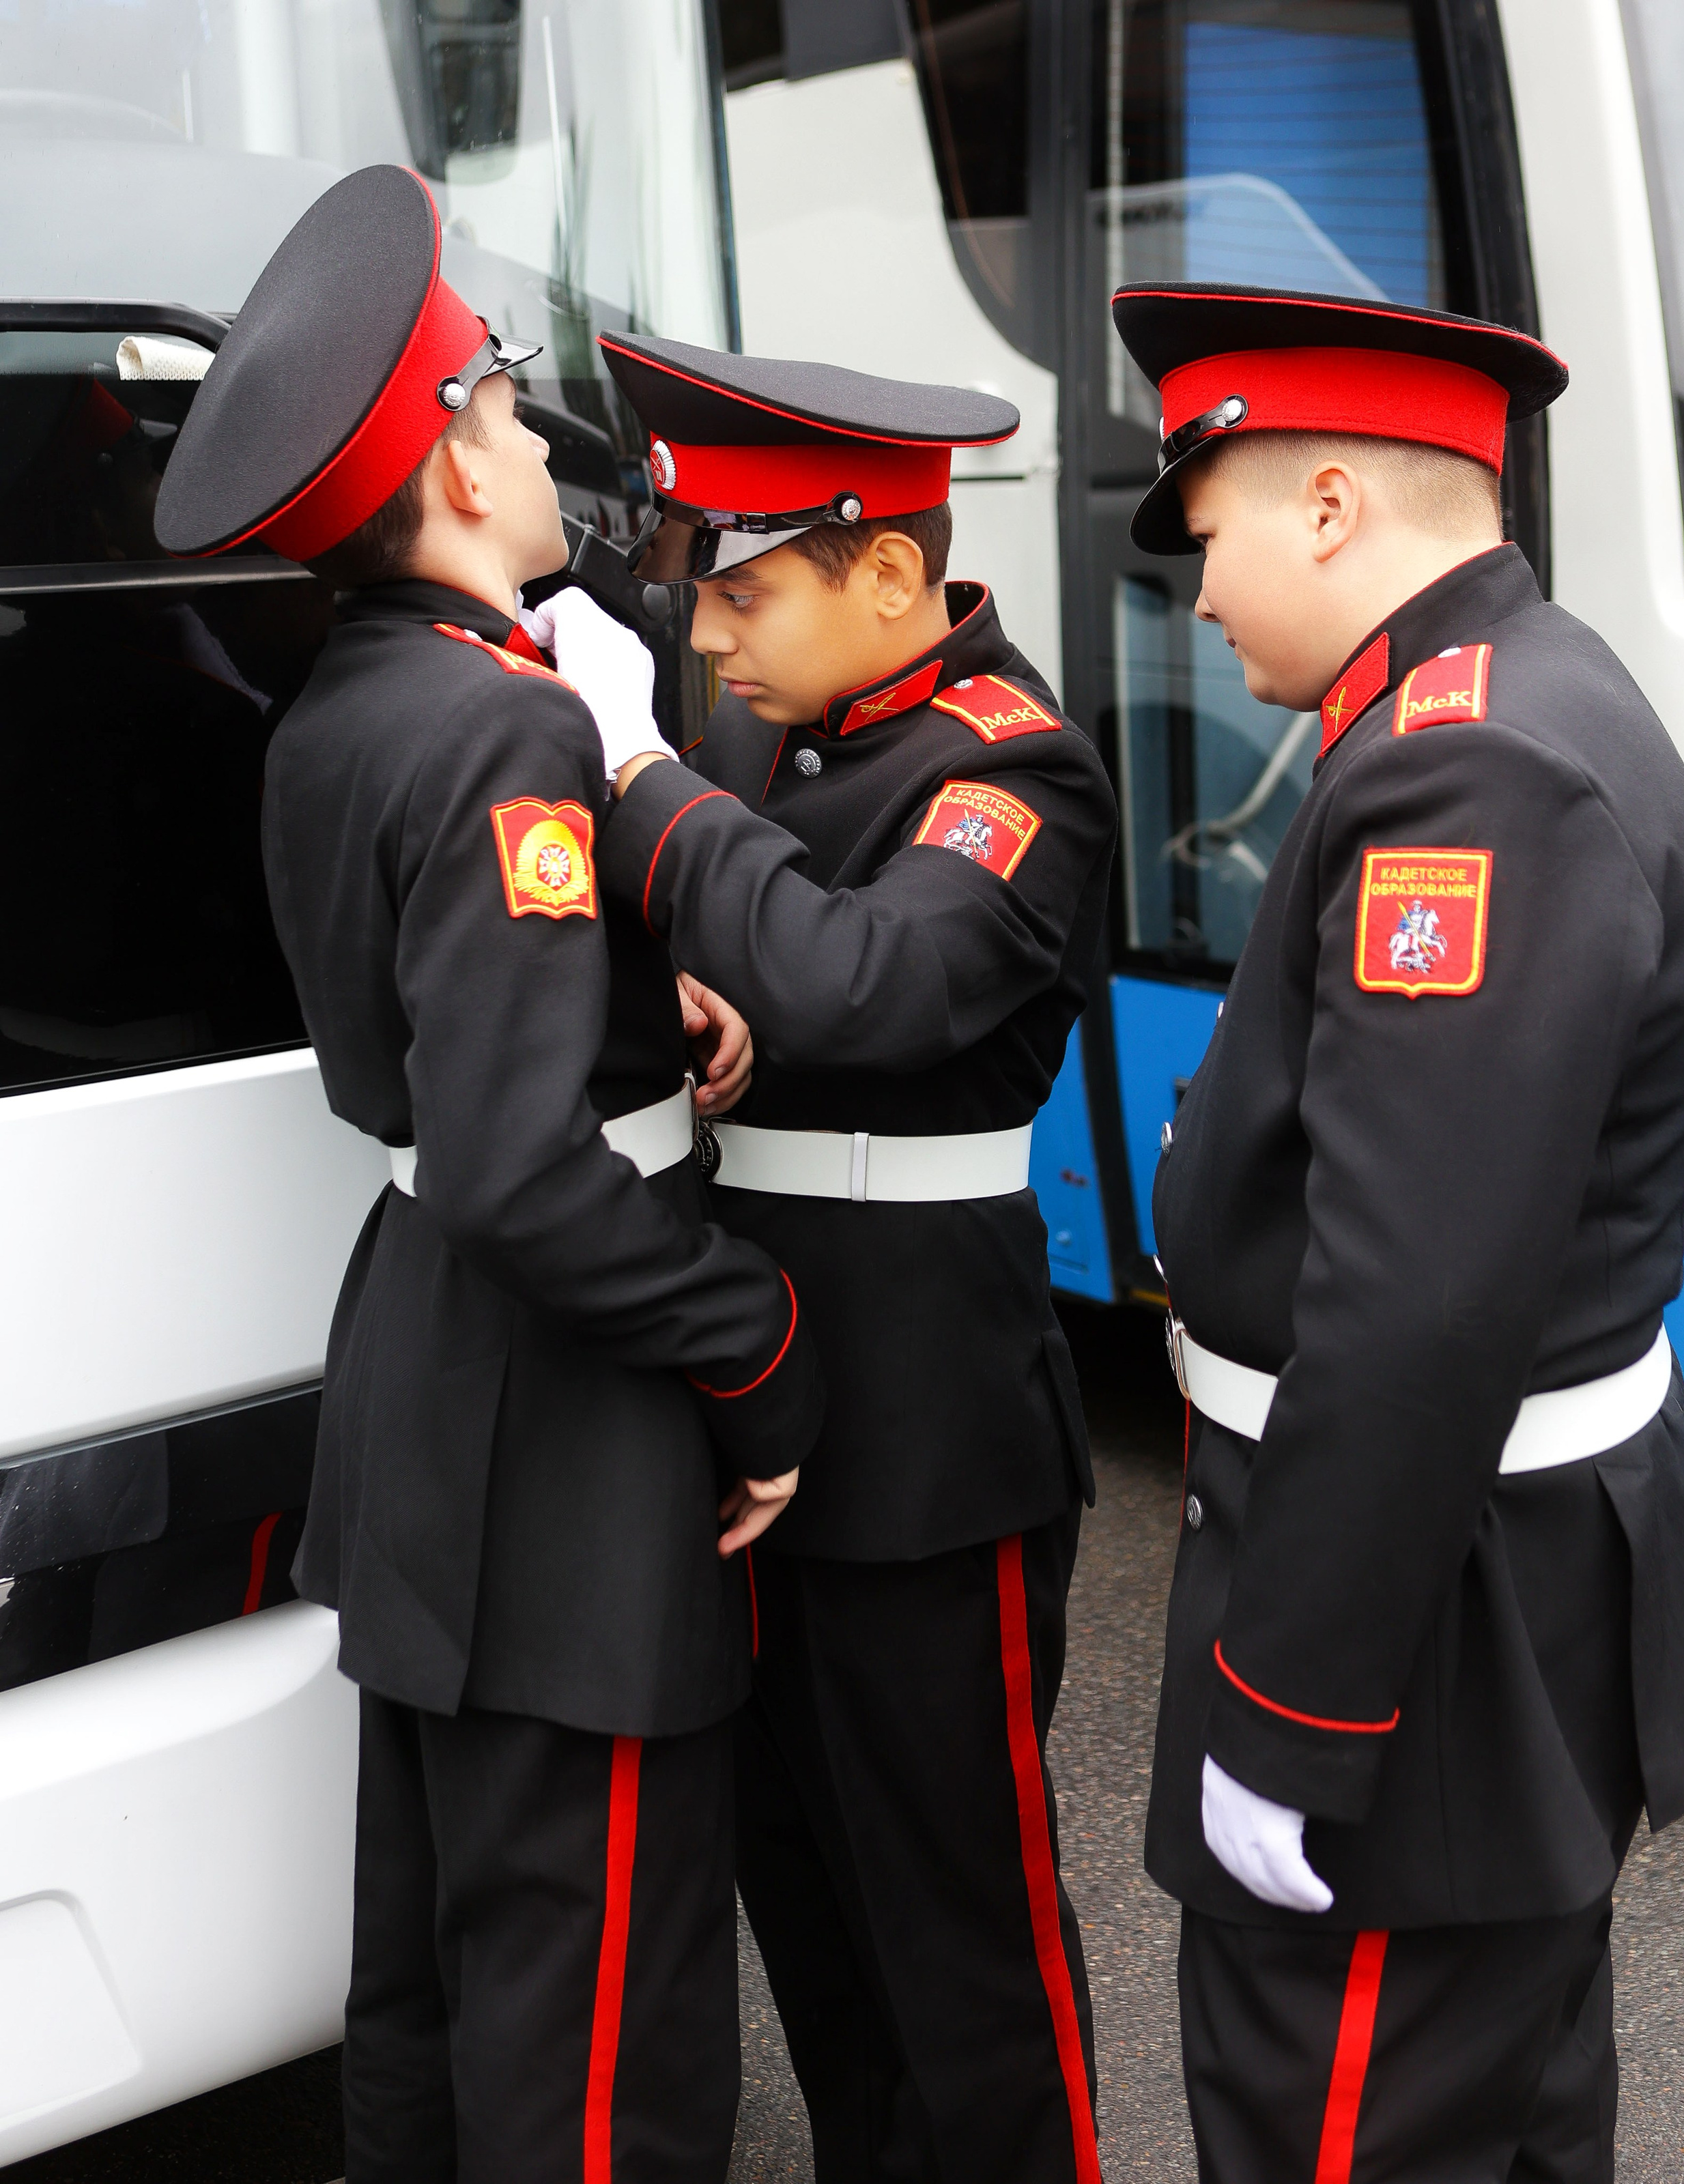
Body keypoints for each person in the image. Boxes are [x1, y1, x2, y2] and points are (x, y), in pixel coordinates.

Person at [155, 164, 825, 2184]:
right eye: (516, 409)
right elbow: (529, 1169)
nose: (540, 446)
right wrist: (754, 1345)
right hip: (571, 1439)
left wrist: (632, 1001)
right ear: (456, 464)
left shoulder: (342, 707)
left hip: (430, 1382)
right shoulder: (512, 732)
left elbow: (445, 1044)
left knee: (432, 2005)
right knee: (598, 2042)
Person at [1113, 281, 1684, 2181]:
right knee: (1507, 2116)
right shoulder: (1519, 691)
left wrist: (1291, 1716)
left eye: (1209, 536)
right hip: (1480, 1588)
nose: (1198, 600)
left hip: (1425, 1630)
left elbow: (1412, 1311)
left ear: (1327, 505)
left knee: (1352, 2123)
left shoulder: (1465, 769)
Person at [530, 333, 1116, 2184]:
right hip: (749, 1392)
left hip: (925, 1424)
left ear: (886, 571)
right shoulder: (780, 725)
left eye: (747, 592)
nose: (709, 640)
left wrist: (640, 776)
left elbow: (866, 983)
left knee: (961, 1942)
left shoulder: (1015, 768)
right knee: (810, 1913)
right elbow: (752, 944)